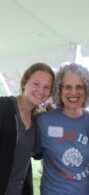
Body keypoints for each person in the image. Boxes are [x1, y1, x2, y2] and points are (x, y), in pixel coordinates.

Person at [36, 63, 89, 195]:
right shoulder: (43, 121)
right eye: (68, 87)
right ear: (59, 89)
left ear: (86, 90)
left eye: (79, 87)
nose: (73, 92)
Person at [0, 62, 55, 195]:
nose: (41, 91)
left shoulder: (38, 120)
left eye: (46, 87)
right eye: (36, 84)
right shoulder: (3, 108)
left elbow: (38, 154)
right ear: (24, 83)